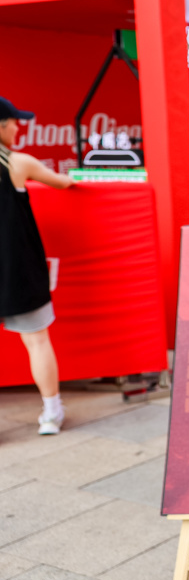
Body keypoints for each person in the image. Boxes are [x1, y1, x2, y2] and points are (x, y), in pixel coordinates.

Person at [0, 96, 73, 435]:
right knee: (37, 341)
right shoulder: (18, 162)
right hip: (18, 269)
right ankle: (51, 414)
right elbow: (64, 182)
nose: (18, 127)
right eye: (14, 122)